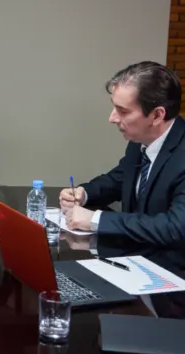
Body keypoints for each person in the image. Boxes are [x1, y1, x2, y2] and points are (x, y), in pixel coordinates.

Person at [60, 61, 185, 246]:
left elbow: (175, 227)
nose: (112, 118)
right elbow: (119, 179)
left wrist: (96, 220)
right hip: (133, 253)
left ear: (157, 115)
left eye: (123, 111)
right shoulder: (139, 141)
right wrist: (83, 194)